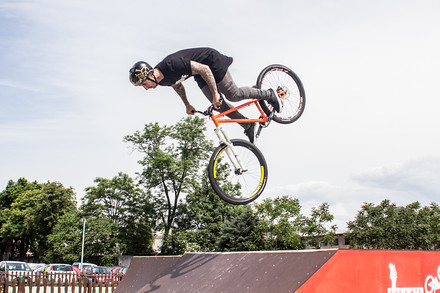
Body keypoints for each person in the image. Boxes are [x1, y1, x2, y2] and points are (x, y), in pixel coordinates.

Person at [129, 47, 281, 143]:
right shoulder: (162, 81)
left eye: (143, 84)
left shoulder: (171, 64)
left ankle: (269, 94)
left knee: (232, 94)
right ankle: (247, 125)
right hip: (199, 74)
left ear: (148, 75)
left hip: (211, 62)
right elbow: (178, 85)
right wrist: (187, 104)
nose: (146, 89)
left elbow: (205, 69)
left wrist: (215, 93)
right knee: (220, 106)